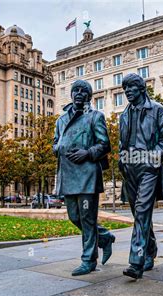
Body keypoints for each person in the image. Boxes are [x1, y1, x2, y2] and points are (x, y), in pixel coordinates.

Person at [53, 80, 115, 276]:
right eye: (76, 91)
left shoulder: (95, 117)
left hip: (87, 174)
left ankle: (89, 260)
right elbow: (55, 141)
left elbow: (104, 144)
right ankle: (104, 237)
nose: (79, 94)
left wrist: (87, 153)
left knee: (87, 219)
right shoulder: (61, 120)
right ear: (71, 95)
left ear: (89, 96)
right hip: (68, 174)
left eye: (83, 91)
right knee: (74, 217)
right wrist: (57, 148)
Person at [118, 73, 163, 279]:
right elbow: (122, 142)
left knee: (142, 211)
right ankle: (150, 250)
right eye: (125, 90)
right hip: (130, 168)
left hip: (148, 166)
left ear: (141, 88)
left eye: (131, 88)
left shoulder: (157, 110)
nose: (127, 92)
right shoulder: (124, 115)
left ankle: (136, 260)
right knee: (139, 214)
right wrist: (121, 161)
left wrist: (155, 155)